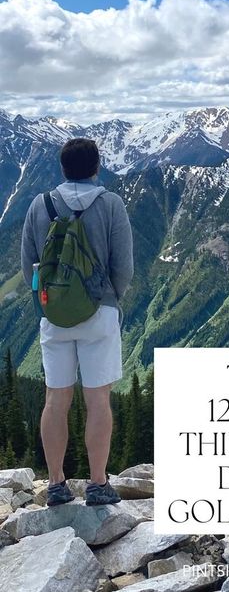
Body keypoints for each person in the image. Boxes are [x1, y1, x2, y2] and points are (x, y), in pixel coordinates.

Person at [21, 137, 134, 506]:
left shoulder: (41, 205)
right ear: (96, 167)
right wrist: (108, 300)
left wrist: (50, 302)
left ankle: (56, 484)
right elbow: (124, 268)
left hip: (54, 314)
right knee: (98, 400)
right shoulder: (111, 204)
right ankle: (98, 484)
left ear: (62, 168)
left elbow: (29, 267)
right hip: (99, 311)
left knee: (56, 398)